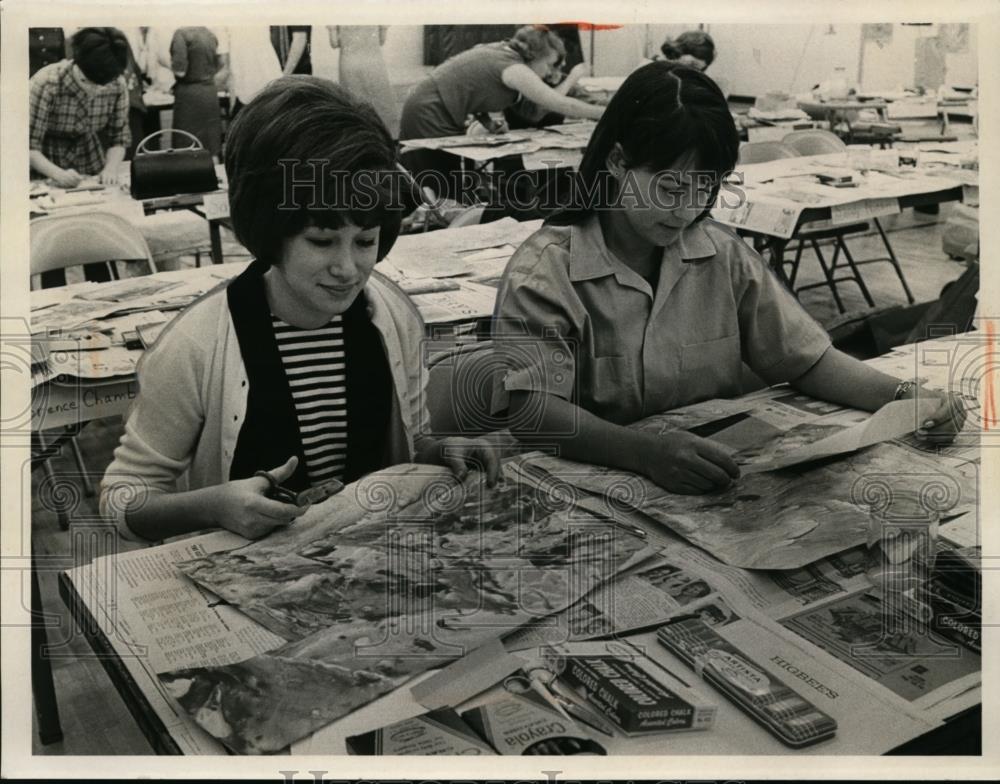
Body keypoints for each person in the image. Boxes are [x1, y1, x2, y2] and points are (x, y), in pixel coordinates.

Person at [492, 62, 965, 496]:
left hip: (703, 481)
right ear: (617, 162)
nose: (686, 210)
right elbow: (534, 412)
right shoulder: (548, 272)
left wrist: (905, 397)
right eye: (670, 187)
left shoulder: (720, 254)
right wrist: (643, 453)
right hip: (596, 485)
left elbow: (804, 360)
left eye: (705, 189)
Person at [100, 76, 500, 543]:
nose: (348, 268)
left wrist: (439, 451)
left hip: (368, 561)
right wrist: (212, 505)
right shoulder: (196, 345)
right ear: (269, 228)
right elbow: (122, 499)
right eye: (321, 240)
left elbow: (408, 443)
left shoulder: (394, 318)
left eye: (366, 240)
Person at [399, 25, 603, 203]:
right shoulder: (515, 68)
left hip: (425, 103)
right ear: (534, 55)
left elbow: (471, 88)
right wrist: (606, 111)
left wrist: (487, 122)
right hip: (431, 110)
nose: (550, 73)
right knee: (442, 186)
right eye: (549, 65)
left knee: (434, 183)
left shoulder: (499, 51)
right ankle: (441, 232)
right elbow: (561, 104)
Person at [29, 26, 131, 188]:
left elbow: (118, 138)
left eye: (100, 87)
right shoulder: (46, 83)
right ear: (76, 63)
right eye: (85, 82)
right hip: (45, 165)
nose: (92, 92)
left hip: (91, 162)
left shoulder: (116, 83)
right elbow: (28, 146)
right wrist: (58, 174)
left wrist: (110, 169)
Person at [328, 26, 397, 138]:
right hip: (373, 62)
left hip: (349, 62)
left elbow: (334, 43)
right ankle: (385, 139)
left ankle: (358, 138)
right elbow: (381, 40)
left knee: (354, 105)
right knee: (380, 104)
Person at [170, 27, 223, 157]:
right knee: (212, 148)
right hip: (209, 93)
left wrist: (163, 61)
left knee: (186, 148)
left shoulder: (181, 34)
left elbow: (180, 71)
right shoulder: (210, 34)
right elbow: (219, 64)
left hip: (189, 96)